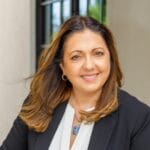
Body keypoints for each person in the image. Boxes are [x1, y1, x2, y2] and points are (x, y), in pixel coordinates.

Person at [0, 15, 150, 150]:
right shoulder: (38, 103)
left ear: (110, 59)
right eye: (76, 57)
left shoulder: (138, 118)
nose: (89, 65)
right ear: (63, 67)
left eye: (98, 53)